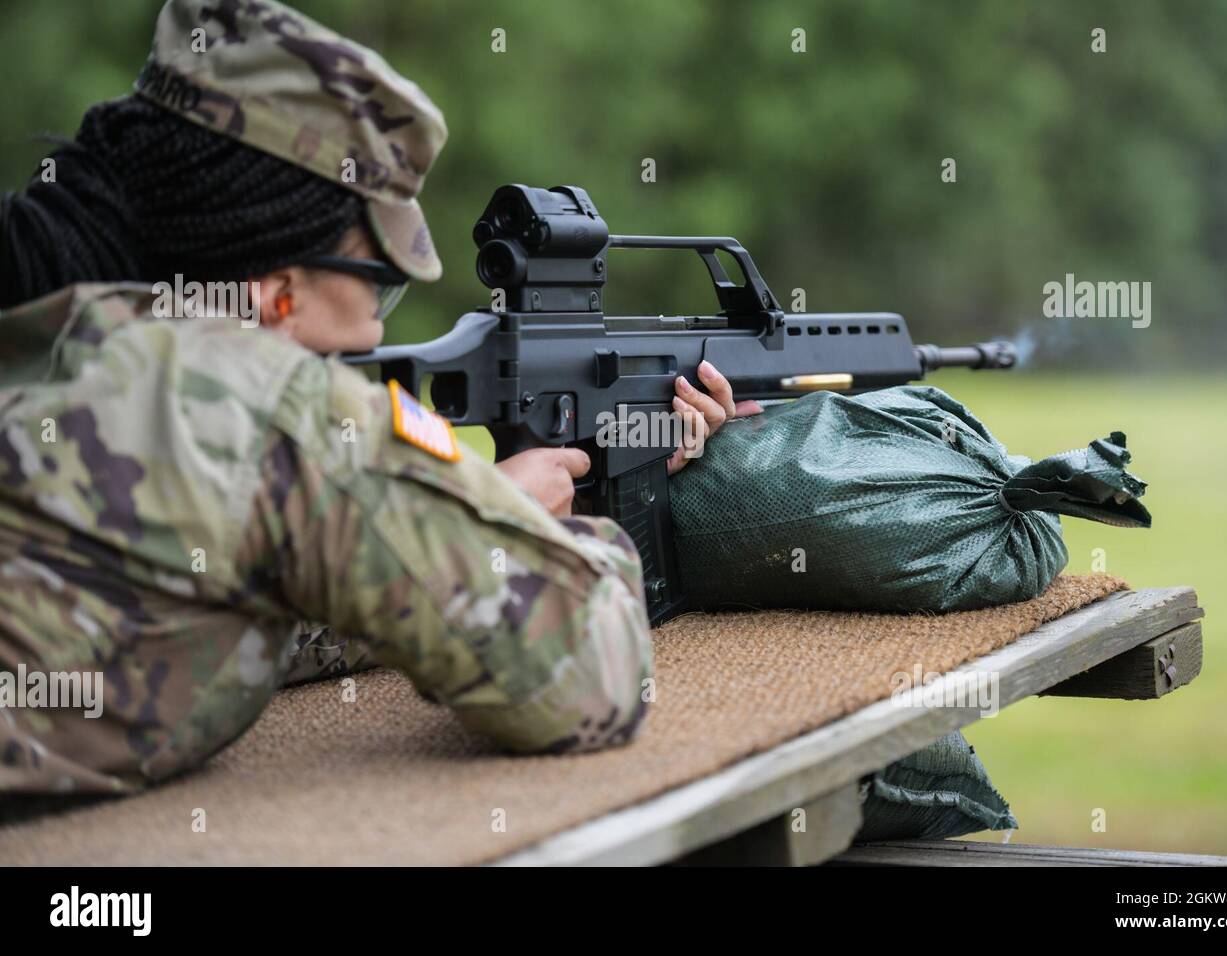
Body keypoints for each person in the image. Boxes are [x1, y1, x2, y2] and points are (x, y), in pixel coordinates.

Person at [0, 0, 755, 795]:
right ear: (276, 293)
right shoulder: (260, 400)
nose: (369, 337)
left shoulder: (55, 338)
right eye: (381, 284)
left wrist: (434, 520)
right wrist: (505, 531)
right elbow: (585, 674)